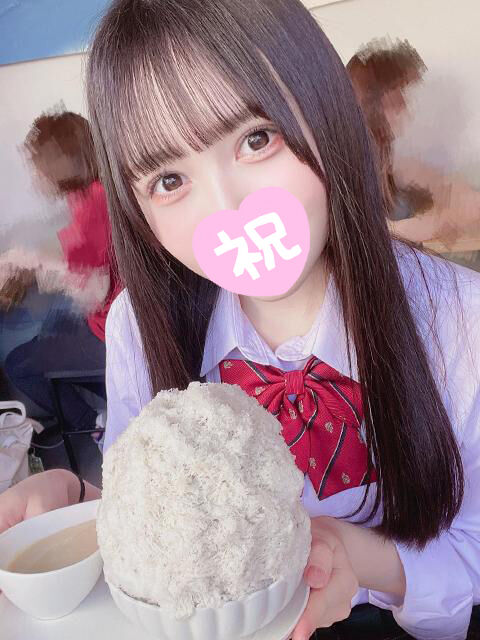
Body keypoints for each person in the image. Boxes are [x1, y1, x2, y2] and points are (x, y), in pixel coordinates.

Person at [1, 2, 480, 639]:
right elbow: (160, 534)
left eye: (257, 139)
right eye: (169, 179)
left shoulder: (459, 317)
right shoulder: (140, 327)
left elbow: (474, 546)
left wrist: (354, 554)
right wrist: (78, 503)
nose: (227, 211)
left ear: (324, 111)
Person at [3, 110, 121, 434]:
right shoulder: (94, 191)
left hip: (112, 330)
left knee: (18, 365)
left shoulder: (91, 206)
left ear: (58, 164)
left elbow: (93, 293)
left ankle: (95, 426)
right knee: (54, 325)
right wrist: (34, 261)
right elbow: (89, 255)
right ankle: (118, 398)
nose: (34, 177)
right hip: (114, 317)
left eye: (36, 167)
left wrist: (36, 264)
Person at [347, 38, 480, 252]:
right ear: (373, 102)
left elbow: (447, 189)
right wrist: (435, 223)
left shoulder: (403, 150)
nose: (409, 105)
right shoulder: (348, 160)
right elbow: (360, 233)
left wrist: (457, 198)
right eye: (400, 95)